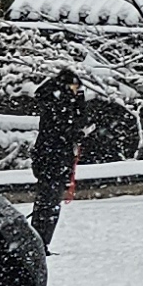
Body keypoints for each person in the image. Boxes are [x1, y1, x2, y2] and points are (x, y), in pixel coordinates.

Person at [28, 68, 86, 248]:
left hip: (51, 159)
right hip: (53, 159)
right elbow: (65, 127)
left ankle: (39, 241)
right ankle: (40, 242)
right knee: (49, 203)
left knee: (46, 203)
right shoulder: (58, 103)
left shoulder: (54, 101)